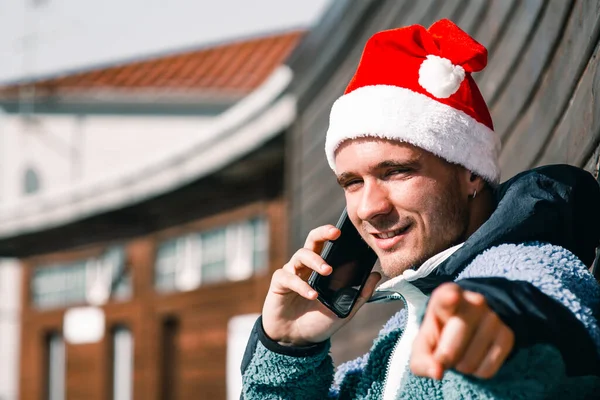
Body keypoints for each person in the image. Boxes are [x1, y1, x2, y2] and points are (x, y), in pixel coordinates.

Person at [241, 19, 600, 399]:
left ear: (471, 175)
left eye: (396, 171)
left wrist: (495, 330)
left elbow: (539, 315)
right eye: (352, 182)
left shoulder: (523, 272)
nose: (369, 208)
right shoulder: (393, 341)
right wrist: (288, 348)